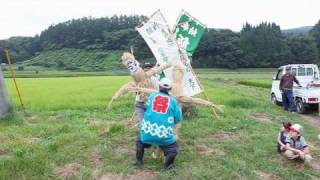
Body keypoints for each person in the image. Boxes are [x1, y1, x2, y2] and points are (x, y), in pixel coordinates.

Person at [134, 78, 182, 171]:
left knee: (139, 141)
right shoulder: (173, 101)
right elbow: (178, 119)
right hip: (164, 136)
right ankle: (169, 166)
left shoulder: (152, 96)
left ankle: (138, 161)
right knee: (173, 149)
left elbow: (146, 106)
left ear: (159, 87)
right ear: (170, 89)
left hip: (147, 134)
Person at [134, 61, 159, 127]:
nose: (147, 69)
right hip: (140, 103)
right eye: (145, 67)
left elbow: (157, 91)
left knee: (151, 122)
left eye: (149, 67)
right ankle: (141, 125)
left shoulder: (154, 79)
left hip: (151, 104)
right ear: (142, 69)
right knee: (143, 124)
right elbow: (135, 91)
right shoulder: (138, 79)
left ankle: (140, 124)